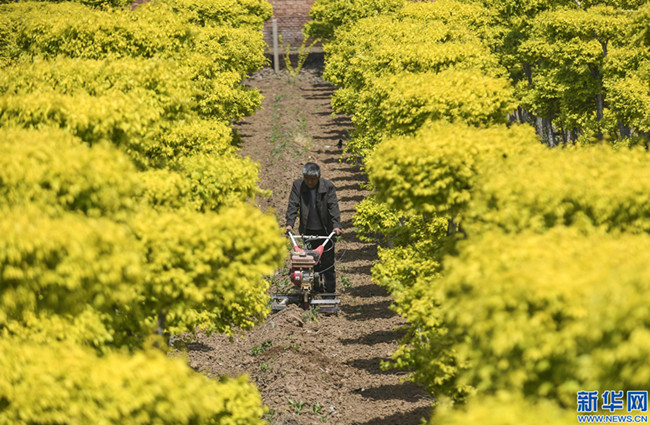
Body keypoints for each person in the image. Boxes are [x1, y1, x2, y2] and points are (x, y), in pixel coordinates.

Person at [285, 162, 342, 293]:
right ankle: (316, 288)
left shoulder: (327, 187)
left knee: (327, 263)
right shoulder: (298, 185)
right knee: (310, 261)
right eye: (307, 179)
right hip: (308, 230)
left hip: (325, 231)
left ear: (318, 178)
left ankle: (329, 292)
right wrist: (289, 224)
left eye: (312, 179)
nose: (309, 182)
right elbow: (293, 205)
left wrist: (336, 226)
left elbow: (333, 207)